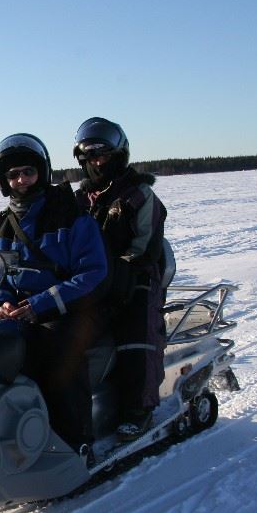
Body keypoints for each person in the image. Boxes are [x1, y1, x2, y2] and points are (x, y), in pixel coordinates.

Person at [0, 132, 109, 460]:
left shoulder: (70, 216)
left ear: (42, 172)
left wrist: (39, 304)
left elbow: (92, 272)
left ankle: (76, 443)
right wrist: (1, 303)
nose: (21, 181)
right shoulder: (1, 229)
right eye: (13, 175)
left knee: (58, 352)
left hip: (73, 308)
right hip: (21, 313)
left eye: (28, 172)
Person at [72, 117, 168, 441]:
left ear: (118, 155)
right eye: (91, 157)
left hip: (135, 276)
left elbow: (145, 246)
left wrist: (119, 270)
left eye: (104, 156)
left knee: (135, 334)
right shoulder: (78, 201)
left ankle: (138, 409)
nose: (98, 163)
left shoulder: (139, 195)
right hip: (91, 280)